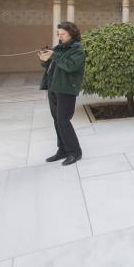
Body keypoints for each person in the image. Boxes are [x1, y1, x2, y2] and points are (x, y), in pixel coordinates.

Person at [39, 21, 86, 166]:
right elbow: (50, 64)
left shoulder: (78, 50)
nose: (60, 37)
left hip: (66, 90)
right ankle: (63, 150)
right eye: (58, 34)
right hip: (53, 88)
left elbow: (70, 66)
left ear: (71, 33)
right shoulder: (58, 48)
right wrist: (44, 59)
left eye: (63, 34)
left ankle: (75, 152)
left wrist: (54, 56)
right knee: (56, 120)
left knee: (63, 121)